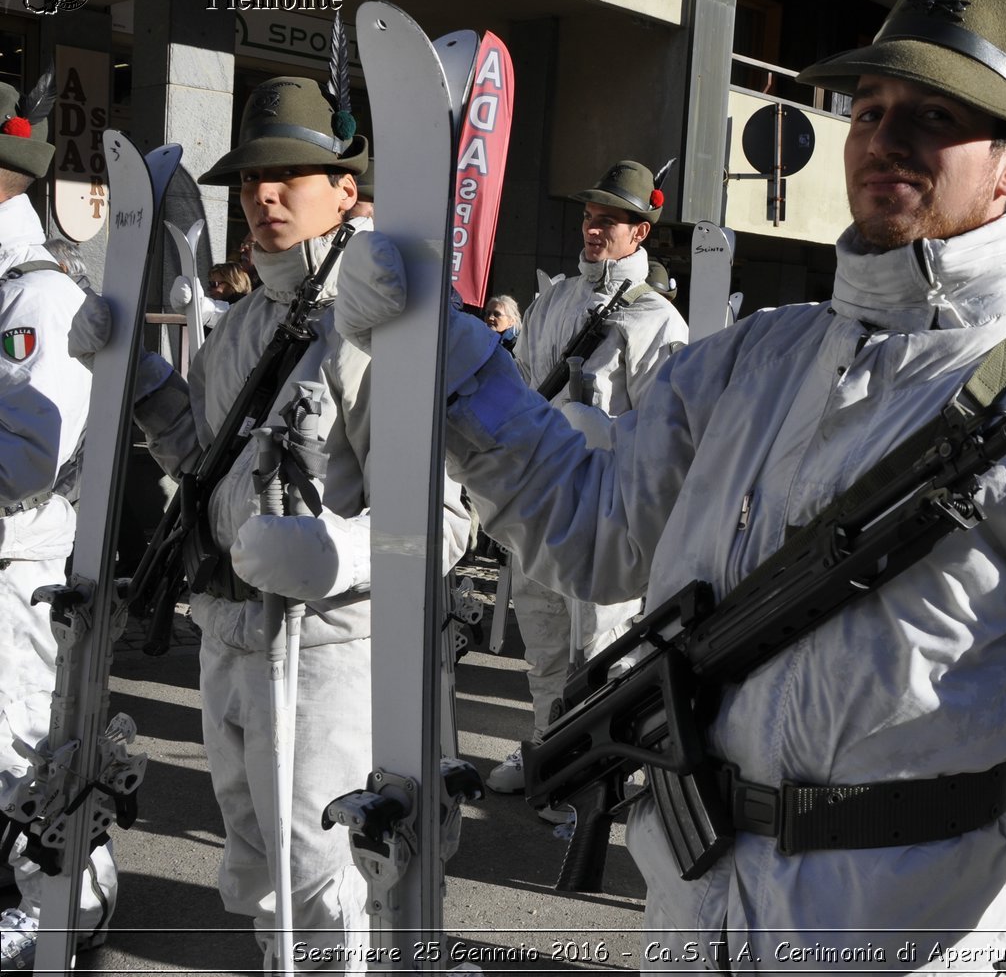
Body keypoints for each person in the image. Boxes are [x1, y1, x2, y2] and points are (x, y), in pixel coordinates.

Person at [339, 0, 1006, 968]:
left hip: (904, 931)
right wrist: (457, 361)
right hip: (694, 909)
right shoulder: (743, 363)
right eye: (869, 108)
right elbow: (595, 534)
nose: (886, 139)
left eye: (936, 116)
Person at [81, 75, 471, 970]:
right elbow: (204, 462)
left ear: (346, 189)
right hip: (229, 630)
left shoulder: (380, 328)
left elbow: (447, 517)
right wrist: (142, 385)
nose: (263, 194)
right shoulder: (247, 320)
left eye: (292, 172)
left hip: (325, 647)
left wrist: (333, 555)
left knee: (323, 872)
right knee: (254, 863)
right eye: (253, 176)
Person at [486, 159, 689, 802]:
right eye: (589, 216)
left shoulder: (658, 320)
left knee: (603, 651)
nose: (594, 229)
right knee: (543, 641)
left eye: (610, 220)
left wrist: (597, 436)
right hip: (538, 503)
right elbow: (520, 384)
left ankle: (600, 776)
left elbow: (666, 438)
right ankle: (549, 751)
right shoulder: (555, 299)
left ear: (641, 233)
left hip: (606, 513)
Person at [0, 77, 115, 971]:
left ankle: (71, 904)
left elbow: (28, 459)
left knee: (25, 743)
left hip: (21, 554)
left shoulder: (37, 295)